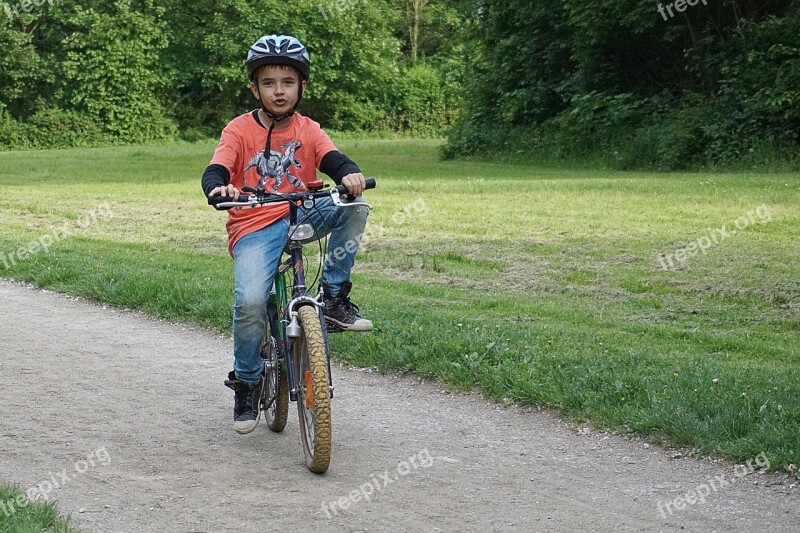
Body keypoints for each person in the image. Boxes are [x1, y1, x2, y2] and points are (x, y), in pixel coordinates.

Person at [201, 34, 373, 434]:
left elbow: (333, 159)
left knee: (355, 207)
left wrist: (348, 174)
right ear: (255, 88)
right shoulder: (239, 129)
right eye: (269, 83)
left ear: (302, 86)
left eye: (288, 82)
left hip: (303, 212)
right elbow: (217, 169)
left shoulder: (308, 129)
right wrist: (218, 188)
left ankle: (332, 298)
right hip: (254, 221)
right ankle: (246, 380)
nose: (279, 91)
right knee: (251, 302)